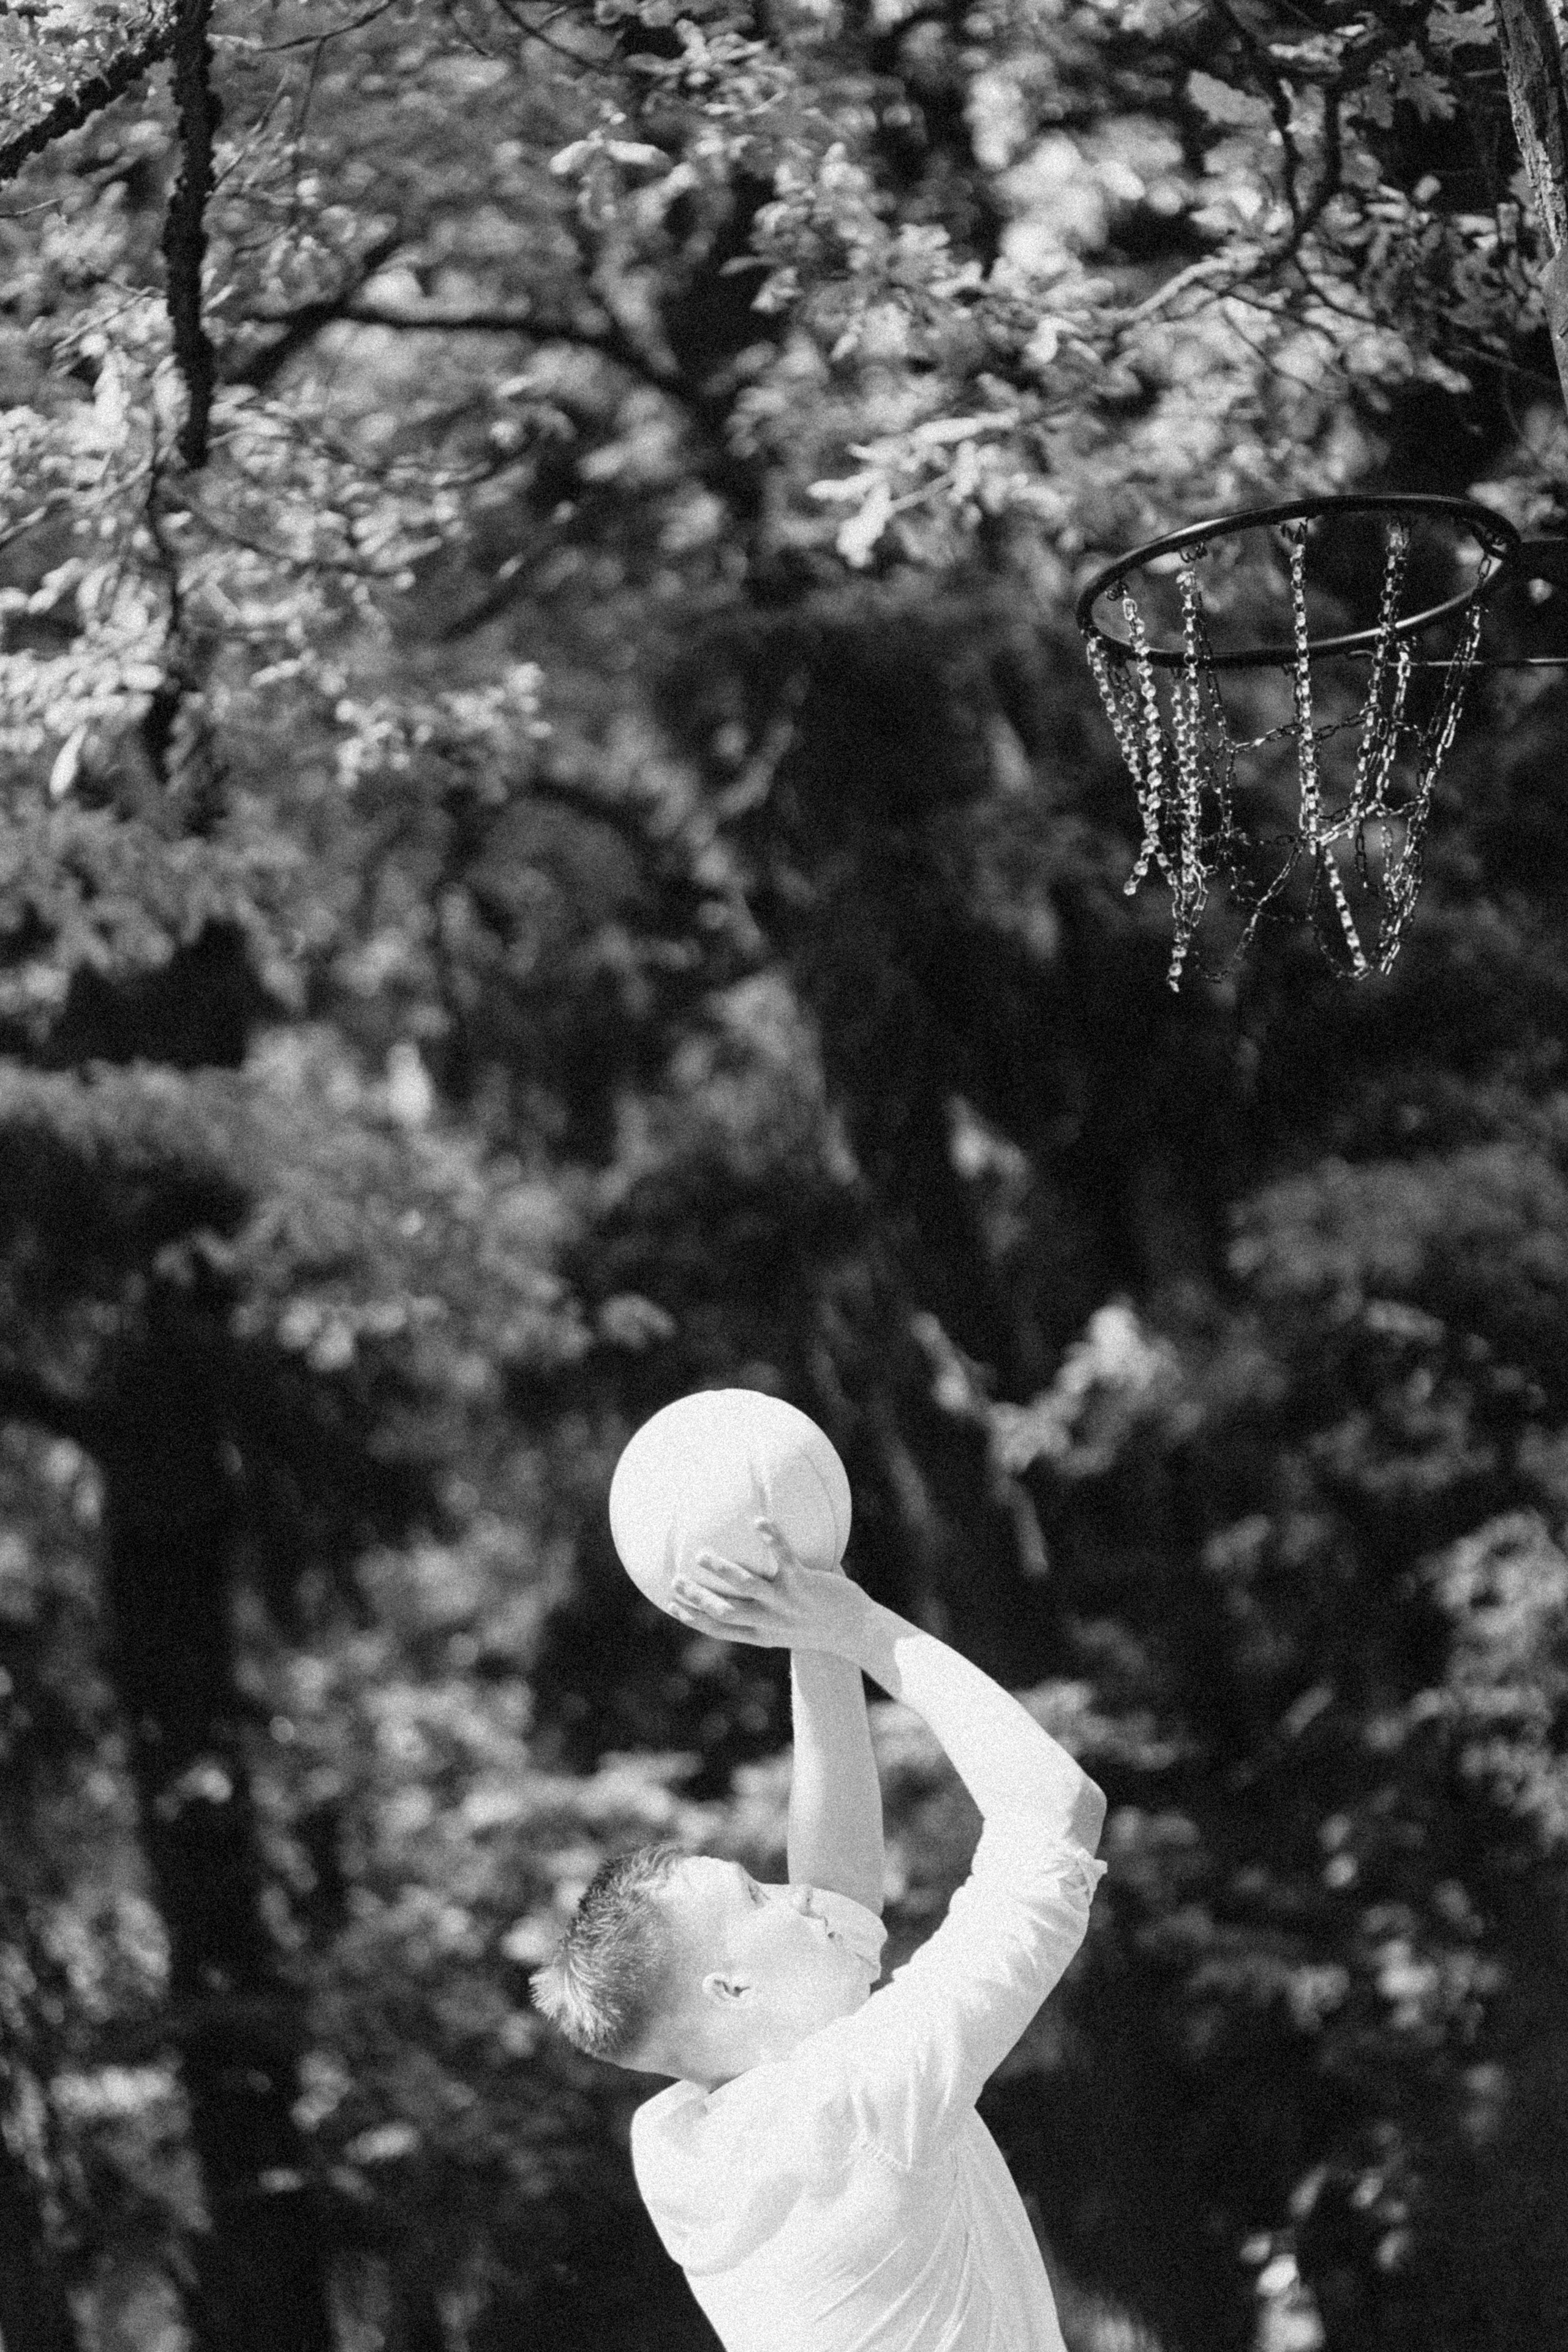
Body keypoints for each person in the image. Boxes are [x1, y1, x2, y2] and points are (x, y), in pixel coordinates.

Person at [530, 1517, 1107, 2352]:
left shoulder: (680, 2147)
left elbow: (836, 1901)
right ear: (731, 1988)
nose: (795, 1896)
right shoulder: (858, 2103)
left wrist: (812, 1623)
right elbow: (1059, 1815)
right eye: (757, 1898)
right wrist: (864, 1628)